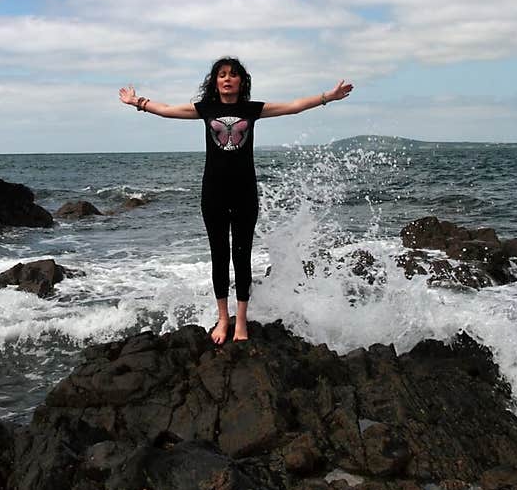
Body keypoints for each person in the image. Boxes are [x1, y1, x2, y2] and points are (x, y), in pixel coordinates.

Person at [119, 58, 353, 344]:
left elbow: (293, 106)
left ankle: (240, 319)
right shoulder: (205, 109)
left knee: (242, 256)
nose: (227, 79)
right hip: (213, 193)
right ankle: (222, 318)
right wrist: (137, 102)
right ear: (215, 82)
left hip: (244, 193)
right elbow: (167, 110)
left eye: (233, 75)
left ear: (242, 81)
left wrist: (329, 96)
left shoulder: (251, 110)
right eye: (222, 75)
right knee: (219, 255)